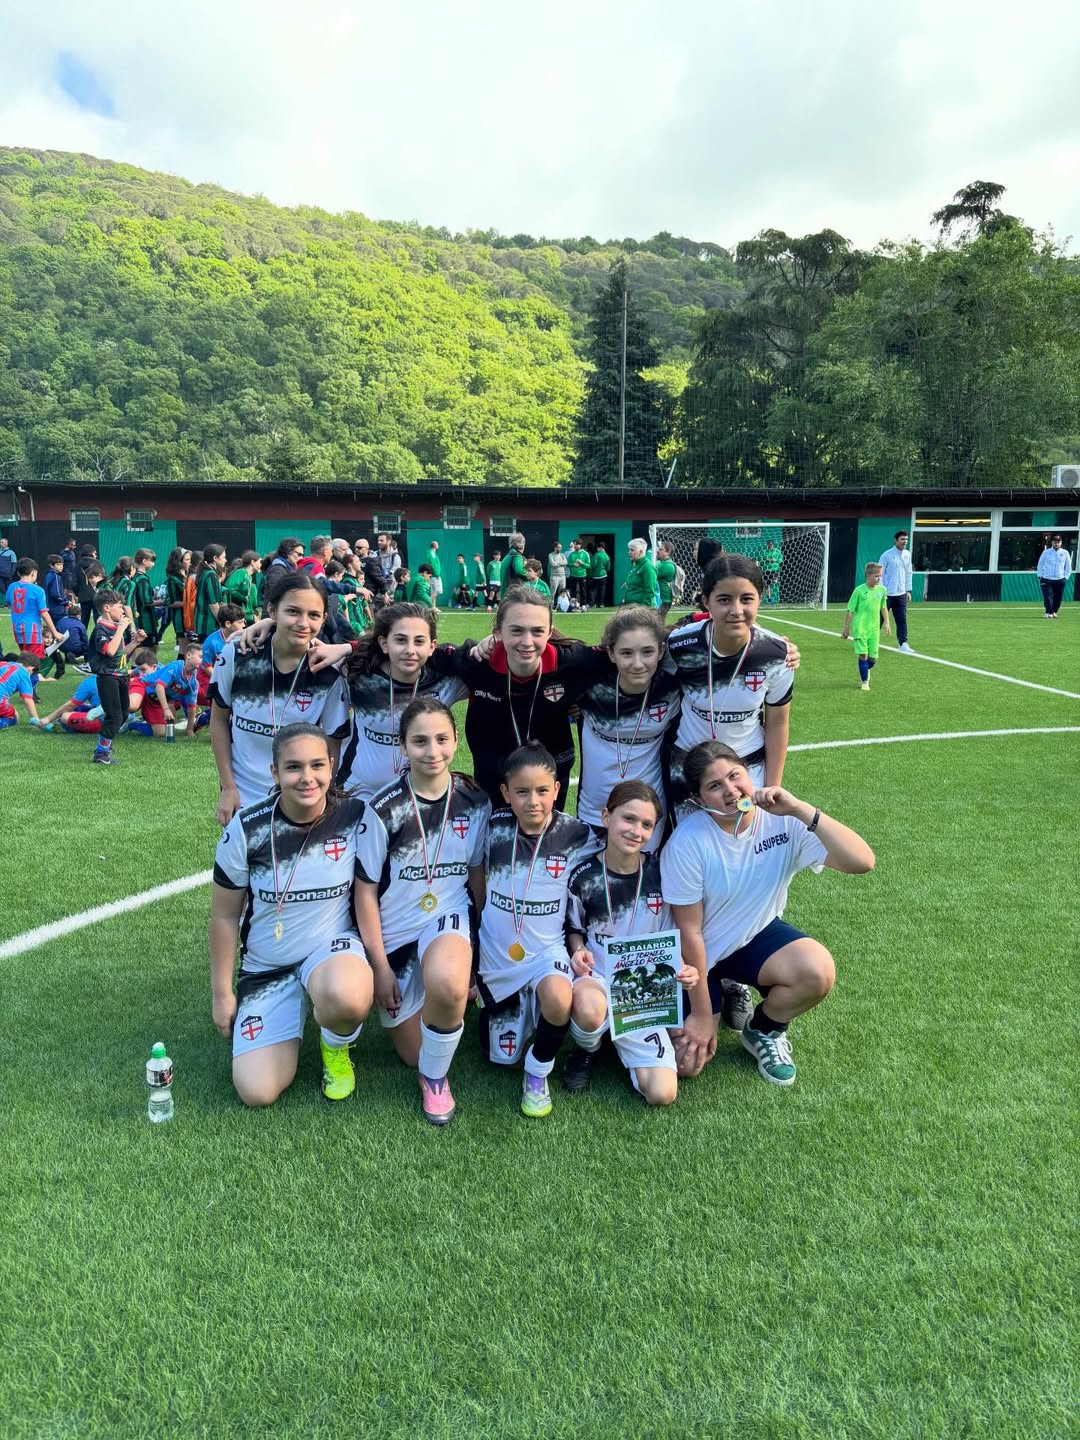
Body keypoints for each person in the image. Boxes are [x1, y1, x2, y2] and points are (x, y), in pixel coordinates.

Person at [663, 740, 874, 1086]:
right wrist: (700, 1013)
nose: (731, 791)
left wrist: (802, 810)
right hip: (697, 960)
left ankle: (764, 1029)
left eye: (735, 776)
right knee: (686, 1065)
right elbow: (690, 933)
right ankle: (715, 998)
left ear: (749, 773)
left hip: (754, 938)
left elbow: (862, 861)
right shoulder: (687, 843)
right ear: (698, 799)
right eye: (715, 786)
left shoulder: (783, 821)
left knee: (817, 970)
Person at [210, 723, 374, 1106]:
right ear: (274, 772)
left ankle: (335, 1048)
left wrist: (382, 968)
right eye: (293, 767)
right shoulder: (246, 829)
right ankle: (292, 1006)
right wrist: (221, 993)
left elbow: (374, 893)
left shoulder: (356, 817)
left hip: (330, 951)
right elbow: (223, 917)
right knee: (256, 1091)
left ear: (331, 766)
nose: (307, 777)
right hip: (268, 965)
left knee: (347, 997)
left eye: (317, 765)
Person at [353, 698, 490, 1125]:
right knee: (413, 1052)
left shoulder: (475, 800)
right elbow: (364, 892)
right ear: (402, 746)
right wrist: (380, 967)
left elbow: (476, 876)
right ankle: (436, 1011)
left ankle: (435, 1080)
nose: (433, 751)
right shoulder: (383, 809)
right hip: (395, 935)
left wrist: (477, 957)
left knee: (449, 984)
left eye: (442, 739)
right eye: (420, 741)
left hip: (446, 915)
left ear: (456, 740)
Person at [476, 743, 593, 1117]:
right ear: (505, 792)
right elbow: (472, 872)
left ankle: (538, 1073)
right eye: (522, 792)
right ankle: (515, 1011)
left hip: (547, 951)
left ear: (557, 789)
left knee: (559, 998)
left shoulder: (577, 834)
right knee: (501, 1060)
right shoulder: (492, 826)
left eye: (543, 790)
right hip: (498, 953)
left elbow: (613, 861)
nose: (533, 801)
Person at [563, 781, 697, 1102]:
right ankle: (588, 1048)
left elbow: (670, 934)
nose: (636, 831)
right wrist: (578, 950)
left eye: (646, 824)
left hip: (643, 992)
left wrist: (683, 967)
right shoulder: (583, 875)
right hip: (597, 979)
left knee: (662, 1094)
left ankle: (618, 1037)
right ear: (606, 817)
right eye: (628, 819)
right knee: (589, 1008)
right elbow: (573, 929)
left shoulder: (661, 873)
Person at [433, 585, 596, 808]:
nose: (527, 642)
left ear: (549, 632)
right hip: (493, 780)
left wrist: (582, 702)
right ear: (498, 632)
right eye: (516, 631)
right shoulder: (477, 662)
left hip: (548, 781)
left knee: (544, 832)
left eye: (537, 631)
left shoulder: (570, 662)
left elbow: (620, 654)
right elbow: (426, 653)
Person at [209, 572, 351, 823]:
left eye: (313, 615)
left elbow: (333, 744)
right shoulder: (238, 654)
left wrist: (323, 796)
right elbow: (219, 721)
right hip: (242, 792)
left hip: (301, 795)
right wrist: (228, 787)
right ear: (272, 611)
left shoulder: (327, 671)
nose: (303, 623)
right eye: (293, 612)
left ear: (324, 619)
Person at [665, 554, 794, 820]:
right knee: (691, 839)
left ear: (759, 599)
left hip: (746, 767)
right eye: (724, 600)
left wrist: (773, 785)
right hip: (688, 765)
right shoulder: (679, 646)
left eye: (746, 599)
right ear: (706, 602)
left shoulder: (777, 655)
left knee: (743, 838)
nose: (736, 610)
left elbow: (778, 723)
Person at [575, 608, 681, 847]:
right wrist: (495, 641)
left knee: (641, 871)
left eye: (647, 652)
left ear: (661, 651)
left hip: (647, 814)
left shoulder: (672, 686)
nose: (637, 664)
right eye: (626, 653)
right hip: (594, 811)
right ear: (611, 653)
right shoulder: (589, 686)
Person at [88, 589, 146, 765]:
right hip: (108, 677)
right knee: (114, 716)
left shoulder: (114, 627)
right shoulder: (101, 629)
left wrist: (135, 642)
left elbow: (120, 654)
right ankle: (101, 753)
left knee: (123, 713)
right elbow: (110, 651)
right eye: (120, 607)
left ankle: (105, 740)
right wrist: (121, 628)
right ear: (107, 608)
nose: (122, 611)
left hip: (120, 676)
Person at [128, 640, 202, 739]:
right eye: (200, 657)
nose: (203, 660)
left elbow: (192, 706)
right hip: (143, 684)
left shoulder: (192, 682)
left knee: (162, 733)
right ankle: (115, 710)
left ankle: (133, 724)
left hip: (155, 698)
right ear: (188, 655)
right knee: (133, 706)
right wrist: (166, 709)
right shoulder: (175, 668)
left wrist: (189, 729)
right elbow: (159, 686)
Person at [841, 562, 890, 690]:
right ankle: (864, 682)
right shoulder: (859, 591)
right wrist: (846, 629)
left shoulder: (882, 590)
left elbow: (883, 607)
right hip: (861, 628)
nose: (879, 579)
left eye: (880, 576)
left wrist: (887, 623)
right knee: (863, 655)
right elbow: (850, 611)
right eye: (877, 576)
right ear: (868, 575)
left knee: (873, 659)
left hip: (874, 629)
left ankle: (865, 669)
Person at [5, 558, 65, 658]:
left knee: (25, 660)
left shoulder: (12, 587)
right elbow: (44, 613)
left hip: (18, 629)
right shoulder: (37, 590)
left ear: (19, 573)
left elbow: (9, 603)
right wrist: (55, 632)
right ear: (34, 572)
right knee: (34, 662)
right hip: (32, 631)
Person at [879, 530, 913, 650]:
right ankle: (870, 640)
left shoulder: (907, 554)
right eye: (902, 539)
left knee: (901, 619)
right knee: (879, 619)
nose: (905, 542)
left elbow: (909, 572)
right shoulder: (886, 555)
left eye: (906, 539)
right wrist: (882, 591)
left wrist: (908, 590)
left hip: (901, 594)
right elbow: (880, 574)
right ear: (895, 540)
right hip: (886, 594)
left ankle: (903, 643)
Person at [193, 544, 227, 641]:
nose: (226, 560)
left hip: (202, 624)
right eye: (224, 557)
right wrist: (222, 623)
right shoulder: (211, 575)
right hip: (209, 625)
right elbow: (213, 604)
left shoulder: (205, 572)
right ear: (215, 558)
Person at [0, 653, 42, 728]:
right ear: (32, 668)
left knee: (10, 709)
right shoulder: (24, 673)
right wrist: (37, 720)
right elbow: (27, 700)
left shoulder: (3, 664)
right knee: (14, 716)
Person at [1037, 533, 1071, 618]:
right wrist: (1040, 575)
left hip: (1060, 578)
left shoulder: (1065, 553)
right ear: (1052, 542)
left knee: (1058, 597)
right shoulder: (1046, 552)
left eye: (1058, 542)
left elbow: (1068, 566)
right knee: (1047, 596)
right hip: (1047, 578)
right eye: (1055, 542)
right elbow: (1040, 564)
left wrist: (1066, 577)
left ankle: (1054, 611)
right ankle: (1049, 612)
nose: (1056, 543)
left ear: (1061, 542)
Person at [129, 548, 159, 644]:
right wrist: (163, 602)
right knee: (150, 647)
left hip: (138, 619)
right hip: (145, 622)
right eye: (152, 561)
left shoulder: (135, 577)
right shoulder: (142, 579)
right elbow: (147, 601)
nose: (153, 564)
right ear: (144, 561)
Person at [164, 548, 192, 645]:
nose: (190, 562)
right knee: (184, 647)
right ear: (179, 561)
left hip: (191, 616)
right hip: (180, 617)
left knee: (193, 648)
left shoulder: (189, 576)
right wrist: (192, 603)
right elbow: (171, 603)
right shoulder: (173, 579)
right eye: (187, 560)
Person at [224, 551, 261, 623]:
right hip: (236, 616)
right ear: (253, 562)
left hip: (244, 616)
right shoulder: (240, 572)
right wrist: (243, 599)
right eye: (260, 562)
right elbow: (231, 590)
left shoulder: (248, 576)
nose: (261, 564)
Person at [622, 538, 658, 608]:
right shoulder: (635, 565)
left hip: (641, 609)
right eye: (629, 550)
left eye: (632, 550)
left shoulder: (647, 566)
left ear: (641, 552)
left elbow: (650, 591)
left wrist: (642, 610)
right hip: (631, 607)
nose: (629, 552)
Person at [655, 542, 677, 621]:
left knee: (657, 622)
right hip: (661, 599)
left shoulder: (667, 566)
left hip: (664, 600)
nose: (658, 551)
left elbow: (652, 577)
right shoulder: (661, 563)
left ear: (668, 552)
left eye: (661, 549)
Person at [566, 540, 590, 607]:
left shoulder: (585, 553)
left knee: (583, 591)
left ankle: (583, 605)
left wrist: (582, 563)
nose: (575, 546)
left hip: (582, 575)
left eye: (577, 544)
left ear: (580, 545)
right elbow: (567, 564)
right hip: (573, 575)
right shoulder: (572, 554)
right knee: (573, 591)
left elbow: (588, 565)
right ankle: (573, 605)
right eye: (575, 544)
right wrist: (573, 564)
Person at [760, 539, 784, 606]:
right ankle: (769, 600)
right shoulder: (764, 552)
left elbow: (781, 560)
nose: (770, 545)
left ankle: (775, 579)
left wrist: (775, 560)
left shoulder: (777, 551)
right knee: (767, 586)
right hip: (766, 570)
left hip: (774, 569)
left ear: (773, 545)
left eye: (771, 544)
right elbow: (761, 561)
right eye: (769, 544)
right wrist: (767, 560)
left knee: (774, 581)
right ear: (767, 545)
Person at [588, 542, 610, 609]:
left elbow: (593, 565)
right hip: (603, 575)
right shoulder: (606, 556)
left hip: (595, 575)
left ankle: (592, 604)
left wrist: (590, 573)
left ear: (600, 548)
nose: (597, 549)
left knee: (592, 590)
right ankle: (601, 604)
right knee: (602, 590)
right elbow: (608, 567)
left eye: (597, 547)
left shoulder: (597, 555)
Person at [425, 540, 442, 604]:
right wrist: (436, 573)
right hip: (434, 575)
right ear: (435, 546)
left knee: (433, 591)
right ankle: (426, 604)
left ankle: (433, 607)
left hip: (432, 575)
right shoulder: (432, 553)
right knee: (438, 591)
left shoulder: (431, 553)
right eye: (437, 544)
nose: (438, 546)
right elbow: (433, 564)